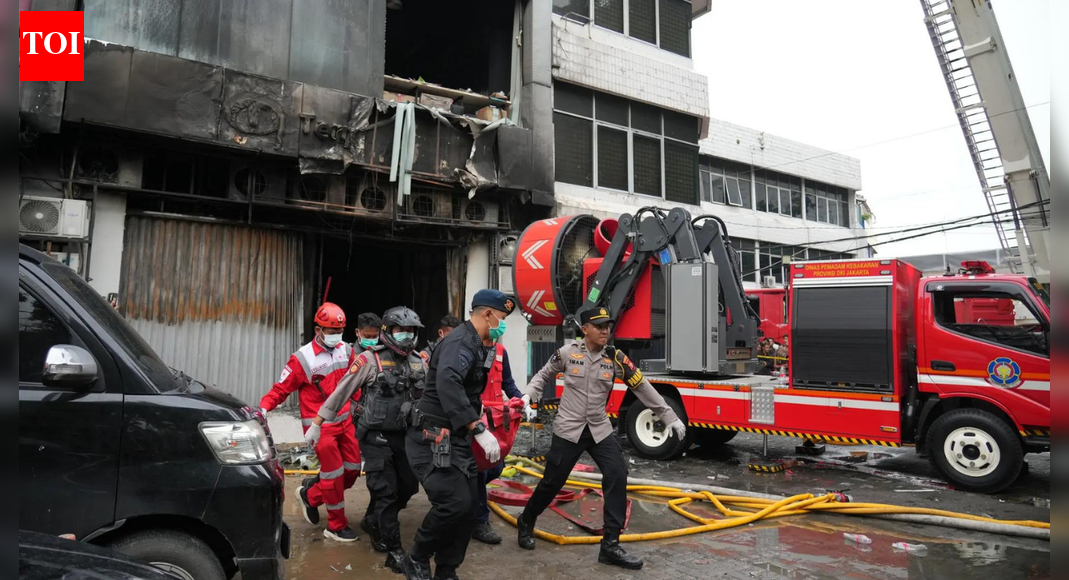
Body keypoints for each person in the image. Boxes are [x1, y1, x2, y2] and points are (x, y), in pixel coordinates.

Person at [515, 307, 687, 570]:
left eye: (607, 326)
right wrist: (528, 396)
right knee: (551, 483)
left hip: (599, 429)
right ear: (585, 330)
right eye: (599, 326)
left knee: (617, 474)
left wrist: (669, 416)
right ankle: (526, 520)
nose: (605, 330)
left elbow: (641, 386)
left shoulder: (616, 358)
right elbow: (543, 375)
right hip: (569, 430)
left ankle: (610, 545)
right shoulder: (567, 353)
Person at [400, 290, 514, 580]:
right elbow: (449, 383)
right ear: (487, 314)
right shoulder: (459, 342)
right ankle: (417, 557)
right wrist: (477, 427)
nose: (502, 324)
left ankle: (447, 569)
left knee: (469, 506)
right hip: (432, 437)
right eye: (501, 317)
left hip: (457, 438)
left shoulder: (479, 342)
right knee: (453, 504)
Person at [311, 306, 426, 572]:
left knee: (408, 487)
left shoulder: (419, 361)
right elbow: (341, 392)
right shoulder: (369, 360)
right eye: (400, 330)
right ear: (388, 331)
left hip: (406, 436)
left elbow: (432, 395)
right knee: (385, 491)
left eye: (411, 331)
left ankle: (374, 521)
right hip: (376, 437)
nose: (406, 336)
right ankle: (393, 547)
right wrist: (318, 423)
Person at [260, 303, 361, 542]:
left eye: (340, 331)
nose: (336, 336)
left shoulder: (346, 350)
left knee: (352, 470)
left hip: (345, 423)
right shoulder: (303, 358)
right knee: (334, 475)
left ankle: (311, 496)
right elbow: (281, 388)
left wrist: (356, 405)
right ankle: (335, 526)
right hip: (320, 427)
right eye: (331, 331)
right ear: (318, 330)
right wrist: (263, 408)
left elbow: (353, 382)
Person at [470, 339, 532, 546]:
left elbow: (508, 383)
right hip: (475, 418)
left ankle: (468, 497)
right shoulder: (467, 349)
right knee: (479, 472)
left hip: (496, 420)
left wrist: (522, 400)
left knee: (496, 468)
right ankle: (479, 522)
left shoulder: (500, 351)